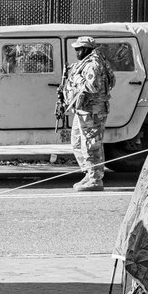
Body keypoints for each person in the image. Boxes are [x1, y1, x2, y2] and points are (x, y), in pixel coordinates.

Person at [58, 35, 115, 190]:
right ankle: (89, 173)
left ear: (86, 49)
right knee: (77, 142)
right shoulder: (86, 63)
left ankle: (96, 180)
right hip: (83, 109)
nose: (76, 52)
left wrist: (76, 79)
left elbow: (93, 86)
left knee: (91, 145)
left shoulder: (94, 63)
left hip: (93, 111)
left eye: (78, 49)